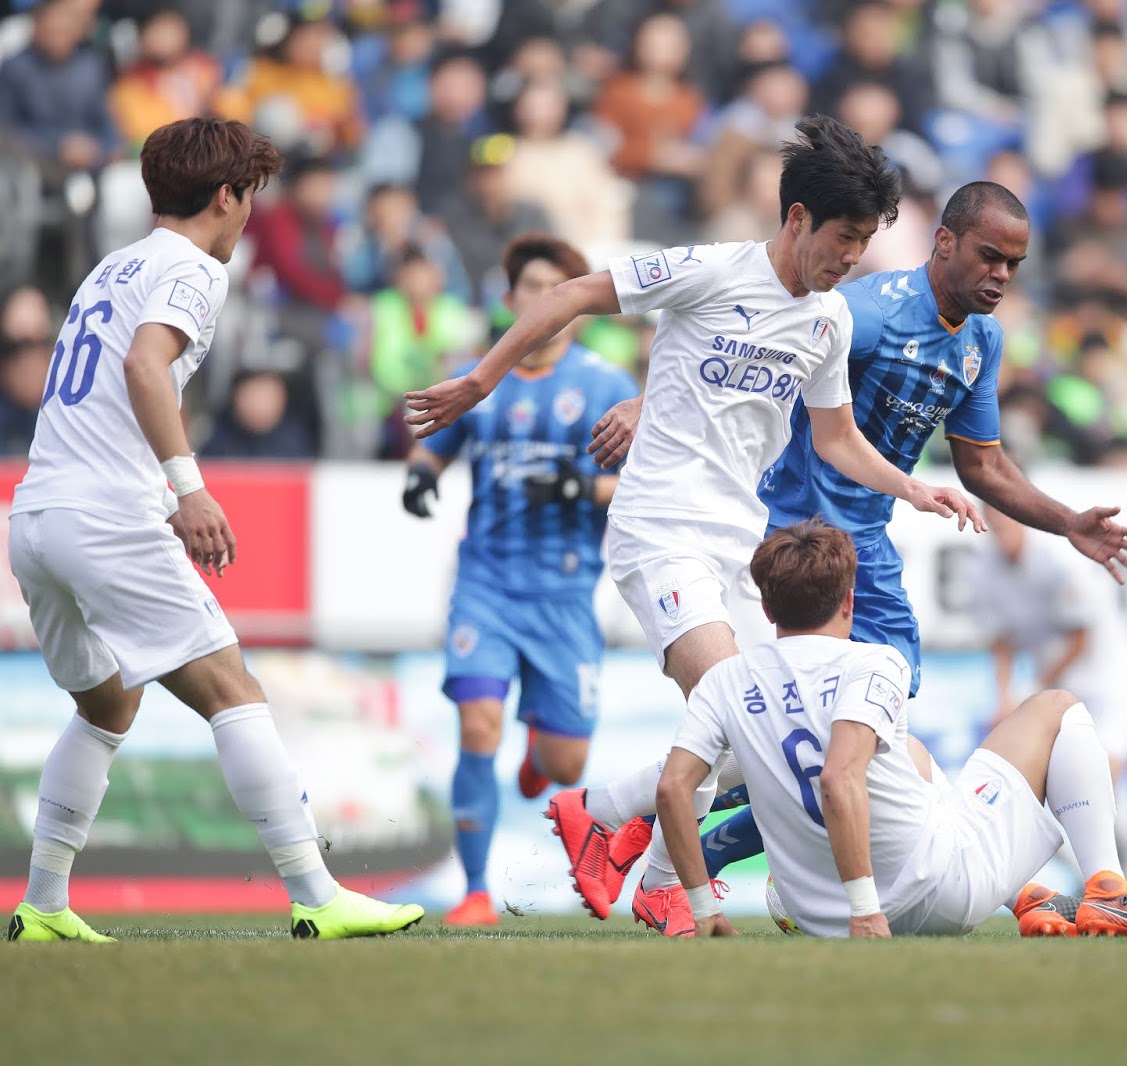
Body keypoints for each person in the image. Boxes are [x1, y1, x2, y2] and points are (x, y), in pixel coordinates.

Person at [405, 116, 982, 936]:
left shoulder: (829, 321)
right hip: (658, 529)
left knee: (769, 736)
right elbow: (571, 295)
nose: (853, 258)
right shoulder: (710, 271)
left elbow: (836, 439)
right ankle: (664, 881)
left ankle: (604, 818)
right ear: (796, 220)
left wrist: (915, 490)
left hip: (737, 546)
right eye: (846, 237)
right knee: (740, 714)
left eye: (863, 242)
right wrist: (478, 382)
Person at [584, 181, 1127, 913]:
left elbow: (982, 466)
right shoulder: (868, 312)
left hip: (869, 554)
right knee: (813, 731)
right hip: (799, 540)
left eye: (1015, 263)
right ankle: (655, 845)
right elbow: (757, 335)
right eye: (989, 256)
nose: (1001, 276)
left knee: (861, 743)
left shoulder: (981, 341)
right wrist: (648, 401)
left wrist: (1067, 521)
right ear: (943, 242)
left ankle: (630, 825)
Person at [5, 118, 422, 942]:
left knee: (107, 706)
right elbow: (144, 366)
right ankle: (316, 893)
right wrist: (188, 489)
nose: (245, 220)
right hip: (102, 517)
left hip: (37, 515)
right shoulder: (192, 267)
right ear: (227, 196)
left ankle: (43, 905)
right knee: (234, 691)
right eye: (249, 200)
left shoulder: (110, 266)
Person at [655, 521, 1127, 939]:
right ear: (849, 601)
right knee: (1059, 708)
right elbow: (837, 779)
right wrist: (865, 908)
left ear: (767, 605)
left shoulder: (724, 680)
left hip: (814, 916)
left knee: (913, 758)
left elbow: (671, 789)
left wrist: (703, 909)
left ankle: (1026, 895)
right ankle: (1111, 890)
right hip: (923, 898)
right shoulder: (874, 663)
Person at [401, 233, 637, 927]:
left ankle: (540, 753)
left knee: (565, 767)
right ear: (508, 300)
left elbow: (635, 487)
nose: (539, 301)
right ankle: (474, 891)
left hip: (565, 594)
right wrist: (419, 478)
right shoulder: (480, 375)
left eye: (552, 289)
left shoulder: (606, 386)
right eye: (527, 288)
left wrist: (576, 488)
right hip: (487, 584)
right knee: (477, 724)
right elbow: (435, 442)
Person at [968, 505, 1127, 783]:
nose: (999, 525)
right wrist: (1003, 698)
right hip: (1053, 682)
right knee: (1055, 784)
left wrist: (1030, 690)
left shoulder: (1060, 557)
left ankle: (1117, 822)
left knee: (1103, 781)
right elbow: (1001, 640)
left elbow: (1080, 639)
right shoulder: (983, 567)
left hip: (1104, 676)